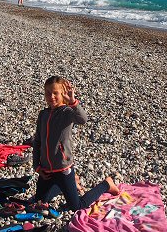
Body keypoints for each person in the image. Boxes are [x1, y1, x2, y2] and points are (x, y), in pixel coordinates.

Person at [30, 76, 118, 210]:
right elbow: (37, 141)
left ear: (62, 93)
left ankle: (106, 184)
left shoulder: (67, 112)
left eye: (55, 93)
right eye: (48, 93)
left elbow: (83, 119)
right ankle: (69, 185)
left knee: (76, 206)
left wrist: (73, 102)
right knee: (39, 202)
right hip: (46, 169)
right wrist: (37, 166)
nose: (51, 96)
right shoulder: (43, 114)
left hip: (63, 168)